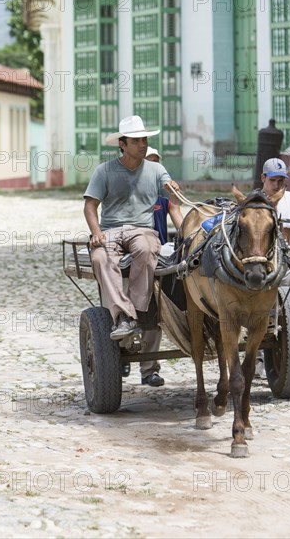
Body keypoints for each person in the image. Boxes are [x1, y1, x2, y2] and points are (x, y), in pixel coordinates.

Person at [83, 116, 180, 386]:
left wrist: (173, 188)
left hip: (142, 230)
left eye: (144, 140)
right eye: (136, 140)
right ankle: (124, 316)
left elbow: (171, 190)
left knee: (149, 247)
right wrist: (96, 233)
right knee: (100, 256)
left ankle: (137, 310)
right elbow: (90, 206)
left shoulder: (155, 170)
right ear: (122, 144)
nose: (142, 144)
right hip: (111, 230)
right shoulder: (104, 171)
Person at [232, 157, 290, 378]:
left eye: (282, 180)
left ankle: (278, 352)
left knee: (283, 311)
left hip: (282, 263)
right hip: (258, 263)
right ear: (263, 178)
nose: (278, 184)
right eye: (274, 180)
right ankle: (253, 358)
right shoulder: (254, 203)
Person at [135, 147, 184, 385]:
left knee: (154, 314)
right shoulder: (128, 193)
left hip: (160, 256)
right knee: (133, 311)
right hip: (133, 257)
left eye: (156, 164)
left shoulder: (164, 198)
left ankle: (149, 370)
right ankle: (118, 349)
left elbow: (180, 219)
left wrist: (193, 235)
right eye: (148, 164)